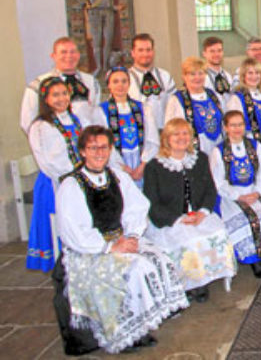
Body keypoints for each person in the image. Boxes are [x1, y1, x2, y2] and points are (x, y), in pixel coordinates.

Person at [54, 126, 187, 355]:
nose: (99, 153)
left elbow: (137, 207)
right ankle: (123, 333)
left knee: (159, 259)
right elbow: (73, 230)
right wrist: (110, 246)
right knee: (132, 270)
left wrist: (133, 236)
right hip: (89, 250)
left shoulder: (116, 176)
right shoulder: (72, 185)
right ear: (83, 152)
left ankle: (140, 326)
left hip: (121, 239)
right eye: (93, 148)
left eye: (104, 147)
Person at [143, 118, 236, 303]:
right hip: (171, 219)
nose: (181, 137)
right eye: (176, 134)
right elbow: (151, 203)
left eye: (185, 133)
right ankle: (193, 283)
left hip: (198, 214)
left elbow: (210, 190)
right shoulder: (154, 166)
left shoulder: (200, 159)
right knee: (189, 239)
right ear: (166, 138)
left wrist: (203, 212)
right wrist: (178, 219)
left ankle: (207, 275)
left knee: (218, 232)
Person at [210, 111, 261, 279]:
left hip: (255, 190)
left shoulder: (256, 146)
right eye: (233, 125)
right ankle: (254, 260)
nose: (237, 129)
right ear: (225, 127)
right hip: (232, 196)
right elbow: (219, 182)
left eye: (240, 125)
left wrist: (258, 191)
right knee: (246, 219)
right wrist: (238, 196)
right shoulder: (218, 151)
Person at [26, 77, 88, 272]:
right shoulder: (40, 126)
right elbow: (47, 161)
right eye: (55, 95)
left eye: (64, 93)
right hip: (55, 182)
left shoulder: (75, 119)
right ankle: (60, 268)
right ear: (46, 99)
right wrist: (71, 177)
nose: (61, 99)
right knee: (58, 225)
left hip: (78, 179)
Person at [94, 66, 158, 189]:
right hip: (116, 162)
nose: (120, 85)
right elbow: (103, 142)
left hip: (141, 162)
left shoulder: (142, 108)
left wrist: (143, 165)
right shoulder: (101, 110)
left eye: (124, 81)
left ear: (129, 83)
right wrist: (122, 167)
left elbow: (152, 138)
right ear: (109, 85)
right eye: (115, 81)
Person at [20, 37, 100, 133]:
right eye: (63, 52)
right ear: (53, 56)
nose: (69, 56)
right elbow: (27, 121)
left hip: (88, 141)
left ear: (78, 55)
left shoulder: (91, 82)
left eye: (73, 52)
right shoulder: (39, 84)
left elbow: (96, 114)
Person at [164, 56, 225, 156]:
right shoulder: (176, 100)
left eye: (201, 73)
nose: (197, 77)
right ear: (184, 76)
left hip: (218, 145)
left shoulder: (213, 95)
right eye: (192, 74)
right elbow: (170, 131)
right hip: (192, 149)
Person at [127, 33, 176, 130]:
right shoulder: (124, 78)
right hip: (137, 134)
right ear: (132, 53)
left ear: (153, 52)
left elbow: (174, 107)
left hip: (163, 133)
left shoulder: (165, 76)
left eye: (148, 50)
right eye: (140, 50)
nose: (145, 54)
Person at [80, 0, 117, 75]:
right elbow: (84, 1)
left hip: (108, 12)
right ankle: (98, 66)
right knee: (97, 41)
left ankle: (106, 66)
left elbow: (111, 4)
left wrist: (117, 7)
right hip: (94, 13)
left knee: (108, 39)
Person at [202, 36, 234, 105]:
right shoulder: (201, 77)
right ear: (204, 54)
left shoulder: (228, 76)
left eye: (219, 50)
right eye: (212, 51)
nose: (216, 54)